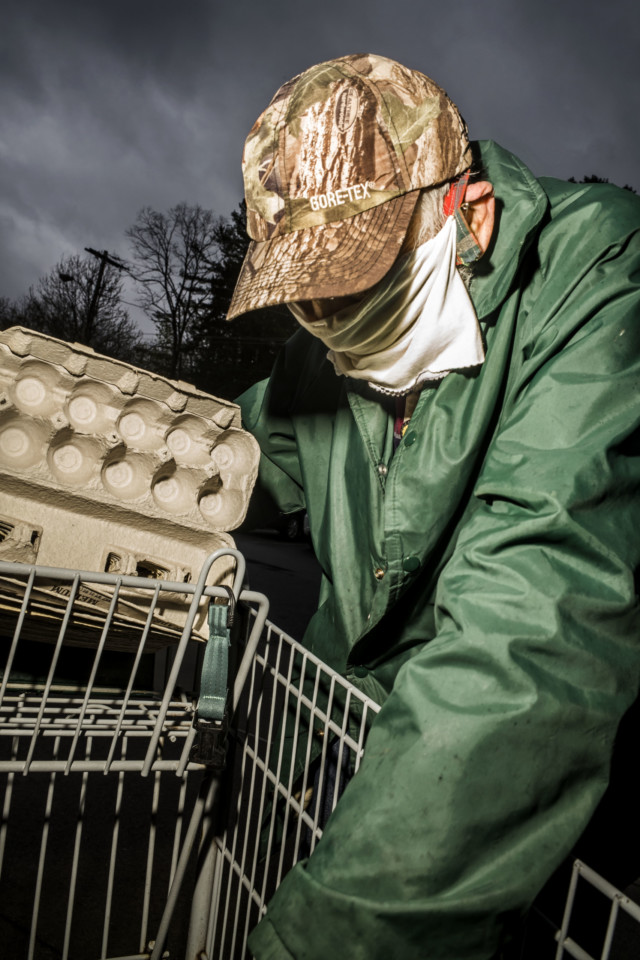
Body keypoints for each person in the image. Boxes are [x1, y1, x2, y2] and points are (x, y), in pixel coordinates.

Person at [227, 54, 640, 959]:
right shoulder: (321, 350)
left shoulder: (600, 273)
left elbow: (535, 623)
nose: (332, 324)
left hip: (488, 793)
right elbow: (250, 452)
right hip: (334, 744)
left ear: (470, 214)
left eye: (358, 285)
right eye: (308, 300)